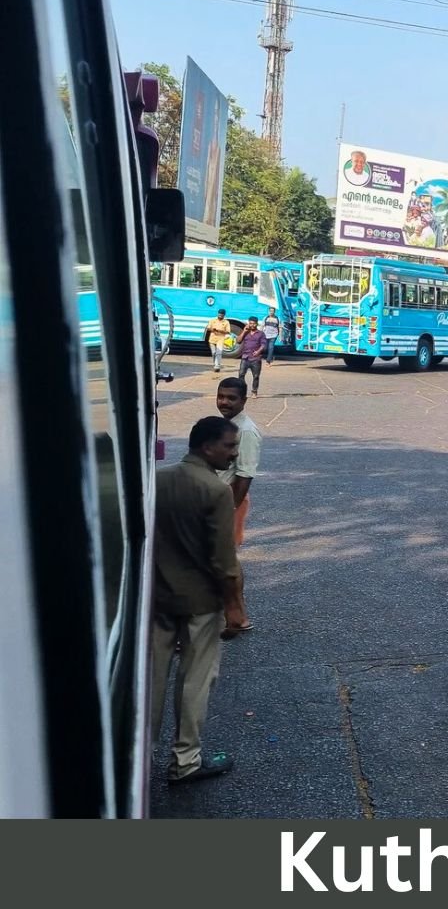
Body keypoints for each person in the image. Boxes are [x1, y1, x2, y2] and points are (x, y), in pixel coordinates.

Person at [149, 415, 243, 783]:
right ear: (207, 447)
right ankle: (186, 760)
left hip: (159, 597)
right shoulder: (216, 490)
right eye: (229, 446)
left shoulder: (158, 480)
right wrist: (234, 607)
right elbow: (224, 560)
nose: (233, 454)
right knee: (195, 681)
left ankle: (139, 757)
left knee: (152, 680)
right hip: (201, 603)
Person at [215, 378, 261, 635]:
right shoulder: (227, 425)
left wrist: (230, 509)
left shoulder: (246, 431)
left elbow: (245, 474)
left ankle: (236, 617)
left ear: (243, 400)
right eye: (221, 396)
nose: (225, 402)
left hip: (230, 501)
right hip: (217, 501)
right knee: (226, 560)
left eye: (231, 398)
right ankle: (237, 617)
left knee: (226, 561)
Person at [236, 317, 266, 395]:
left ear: (257, 324)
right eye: (250, 323)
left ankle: (254, 391)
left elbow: (263, 345)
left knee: (256, 376)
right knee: (241, 375)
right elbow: (238, 341)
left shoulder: (261, 334)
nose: (252, 325)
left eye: (254, 323)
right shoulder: (246, 332)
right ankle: (242, 391)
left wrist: (258, 352)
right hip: (245, 357)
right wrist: (244, 331)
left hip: (255, 359)